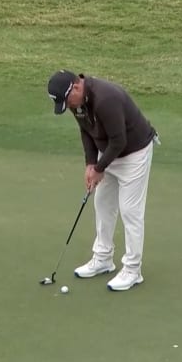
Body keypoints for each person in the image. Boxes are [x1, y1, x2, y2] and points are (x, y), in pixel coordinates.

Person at [47, 70, 159, 291]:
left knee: (130, 211)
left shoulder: (106, 99)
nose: (68, 105)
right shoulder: (75, 101)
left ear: (76, 87)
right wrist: (90, 163)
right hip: (108, 153)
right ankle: (103, 258)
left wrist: (99, 168)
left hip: (134, 153)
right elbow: (86, 130)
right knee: (102, 203)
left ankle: (132, 270)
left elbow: (119, 141)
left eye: (68, 100)